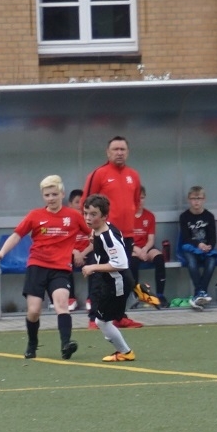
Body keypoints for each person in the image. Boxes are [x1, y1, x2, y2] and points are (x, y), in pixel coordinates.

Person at [0, 175, 91, 360]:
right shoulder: (35, 215)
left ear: (62, 194)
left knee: (62, 304)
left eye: (54, 194)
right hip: (37, 266)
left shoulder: (74, 216)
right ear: (43, 196)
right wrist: (1, 253)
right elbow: (17, 235)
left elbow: (95, 234)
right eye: (47, 195)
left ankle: (66, 344)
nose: (51, 198)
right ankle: (32, 343)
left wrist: (84, 251)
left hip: (61, 269)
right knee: (34, 311)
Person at [82, 136, 143, 329]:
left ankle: (119, 316)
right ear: (108, 152)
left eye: (122, 149)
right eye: (115, 149)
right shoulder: (98, 174)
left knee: (125, 278)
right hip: (104, 235)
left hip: (126, 236)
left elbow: (135, 203)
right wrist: (91, 231)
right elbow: (86, 204)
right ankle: (94, 317)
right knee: (100, 277)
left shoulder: (134, 175)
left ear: (128, 152)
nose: (119, 153)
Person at [81, 194, 136, 362]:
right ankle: (137, 293)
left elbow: (121, 263)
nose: (88, 218)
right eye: (86, 213)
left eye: (93, 214)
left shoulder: (108, 237)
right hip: (110, 281)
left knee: (102, 322)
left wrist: (92, 267)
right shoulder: (102, 228)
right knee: (104, 318)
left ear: (104, 216)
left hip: (116, 283)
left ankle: (126, 352)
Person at [178, 186, 217, 310]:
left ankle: (199, 294)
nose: (196, 202)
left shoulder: (209, 216)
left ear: (204, 199)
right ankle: (200, 292)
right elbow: (185, 238)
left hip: (206, 249)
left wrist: (209, 247)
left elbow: (213, 238)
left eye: (199, 198)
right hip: (190, 248)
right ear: (189, 200)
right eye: (193, 199)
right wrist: (198, 245)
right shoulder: (184, 217)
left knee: (211, 262)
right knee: (192, 263)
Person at [130, 186, 166, 305]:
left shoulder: (150, 216)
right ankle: (135, 296)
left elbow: (151, 239)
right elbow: (125, 240)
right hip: (132, 248)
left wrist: (144, 250)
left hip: (146, 247)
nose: (140, 201)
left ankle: (160, 295)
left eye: (142, 198)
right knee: (132, 262)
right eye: (137, 198)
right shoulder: (127, 216)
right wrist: (137, 250)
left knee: (159, 258)